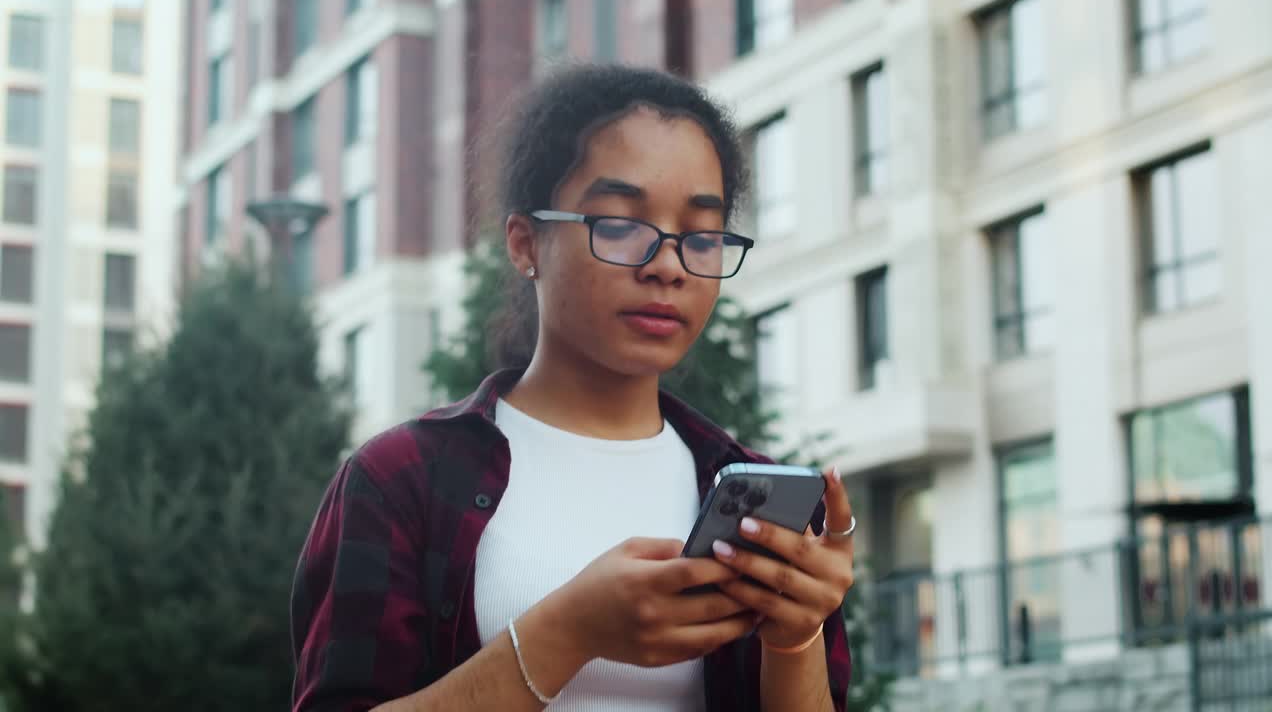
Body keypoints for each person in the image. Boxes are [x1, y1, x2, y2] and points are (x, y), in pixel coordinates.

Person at [290, 63, 855, 712]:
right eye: (620, 225)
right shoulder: (401, 480)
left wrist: (795, 638)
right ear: (526, 244)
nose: (668, 265)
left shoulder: (751, 494)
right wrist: (568, 632)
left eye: (701, 236)